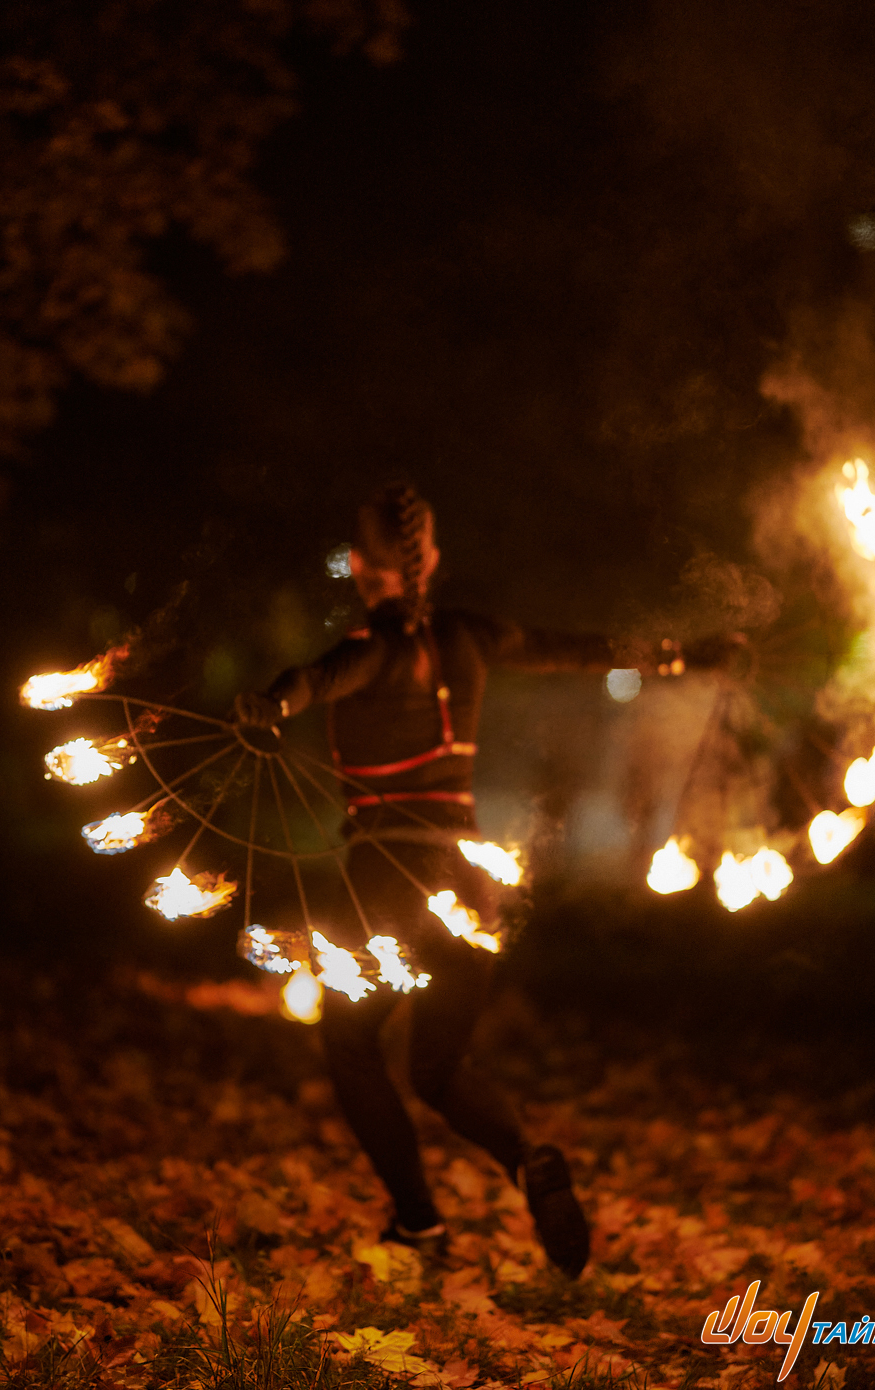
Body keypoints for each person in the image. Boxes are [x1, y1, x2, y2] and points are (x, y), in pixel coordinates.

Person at [236, 483, 647, 1278]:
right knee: (437, 1068)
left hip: (387, 876)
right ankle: (527, 1159)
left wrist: (270, 705)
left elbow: (315, 679)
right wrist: (677, 656)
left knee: (351, 1045)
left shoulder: (371, 645)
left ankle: (419, 1226)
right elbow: (577, 647)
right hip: (470, 883)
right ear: (434, 562)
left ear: (360, 568)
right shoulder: (475, 635)